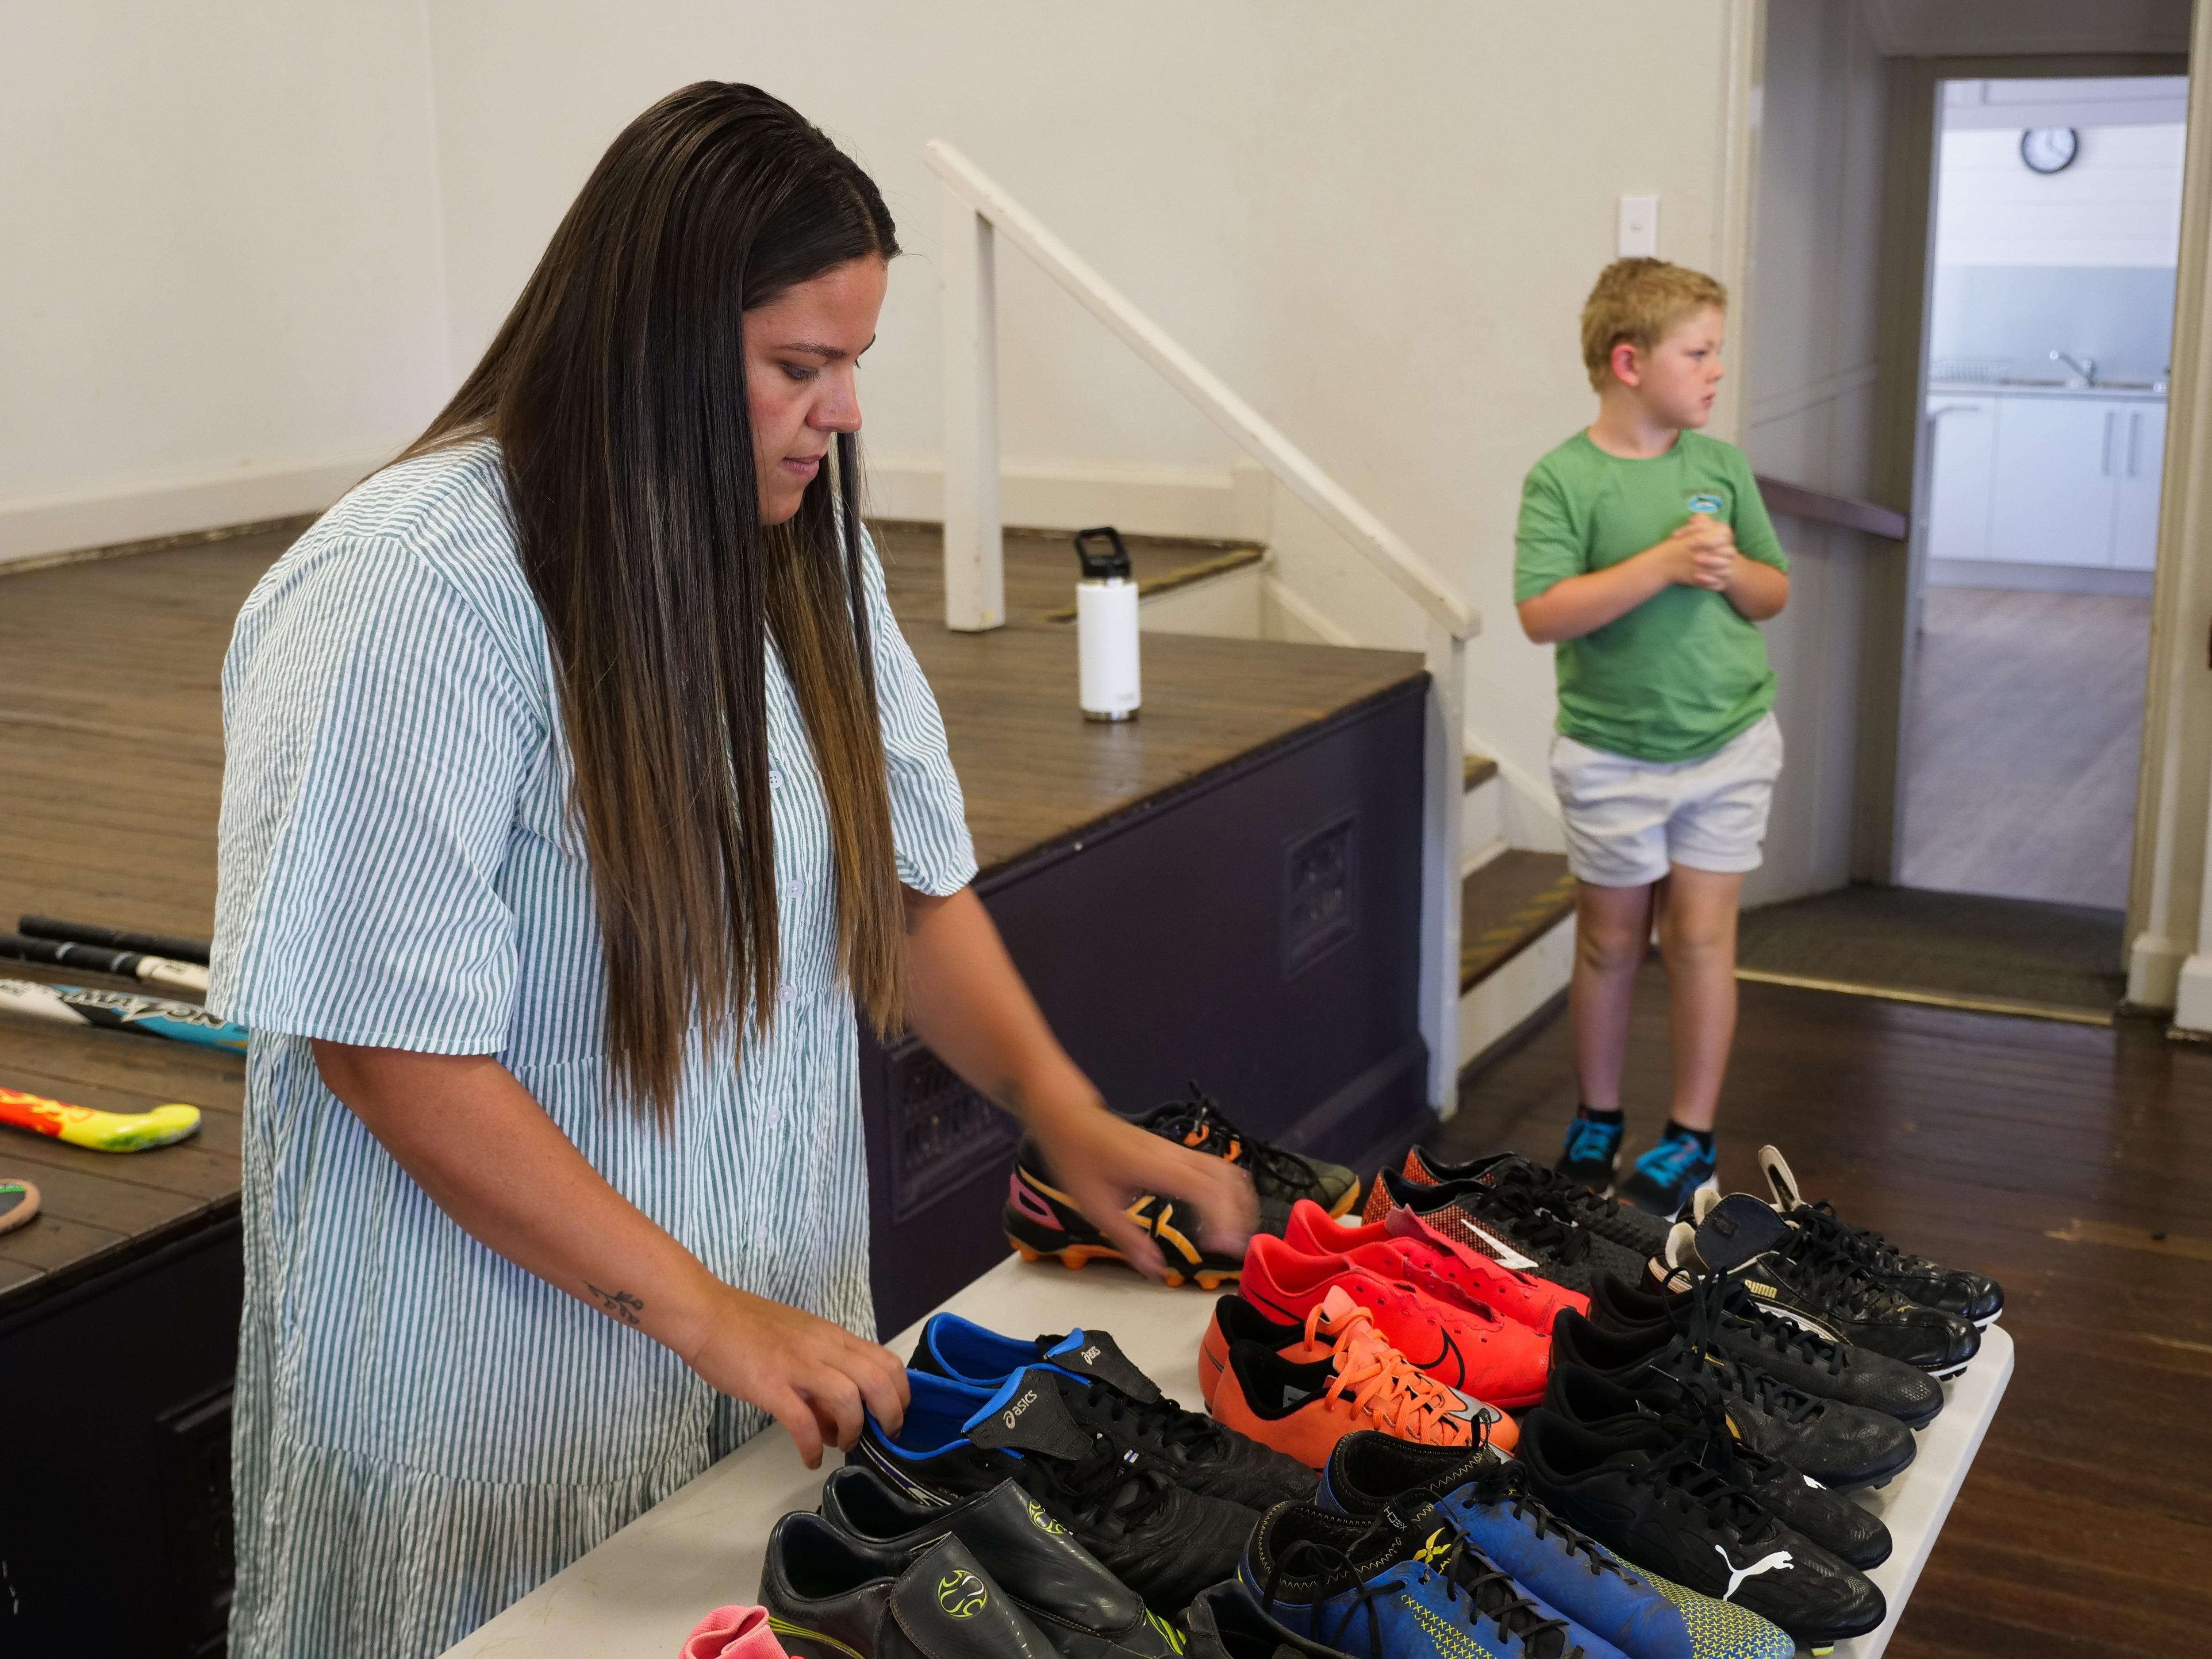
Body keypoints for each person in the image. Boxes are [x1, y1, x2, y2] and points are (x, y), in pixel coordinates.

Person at [207, 83, 1256, 1658]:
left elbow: (906, 882)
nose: (843, 415)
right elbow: (385, 1043)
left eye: (856, 366)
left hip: (746, 1380)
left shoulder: (804, 549)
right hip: (488, 1427)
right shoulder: (414, 585)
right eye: (798, 367)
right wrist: (704, 1309)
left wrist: (1062, 1111)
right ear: (656, 343)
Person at [1511, 258, 1790, 1218]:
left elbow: (1772, 591)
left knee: (1703, 939)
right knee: (1609, 943)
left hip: (1729, 743)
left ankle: (1690, 1137)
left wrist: (1726, 570)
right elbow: (1544, 613)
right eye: (1698, 353)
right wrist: (1664, 563)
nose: (1717, 370)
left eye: (1717, 351)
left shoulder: (1721, 469)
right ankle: (1597, 1118)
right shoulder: (1564, 479)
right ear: (1629, 363)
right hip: (1610, 755)